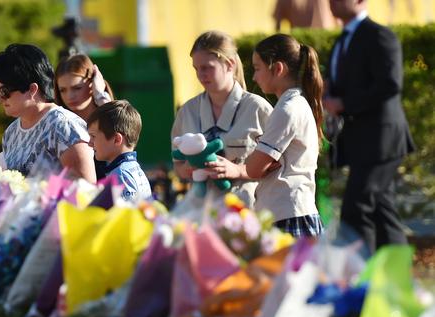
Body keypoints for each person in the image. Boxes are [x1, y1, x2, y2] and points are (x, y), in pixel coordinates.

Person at [208, 34, 324, 238]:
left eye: (258, 68)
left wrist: (236, 167)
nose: (254, 77)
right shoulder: (294, 104)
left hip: (289, 216)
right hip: (291, 212)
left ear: (278, 69)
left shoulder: (287, 109)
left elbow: (254, 168)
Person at [324, 0, 414, 250]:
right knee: (380, 211)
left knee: (357, 210)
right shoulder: (342, 40)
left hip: (382, 140)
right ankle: (396, 279)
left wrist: (343, 102)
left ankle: (361, 280)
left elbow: (390, 83)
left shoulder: (379, 35)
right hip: (361, 142)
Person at [171, 31, 273, 208]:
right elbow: (177, 166)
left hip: (246, 215)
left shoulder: (258, 109)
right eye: (196, 69)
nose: (200, 75)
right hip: (200, 213)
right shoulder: (187, 112)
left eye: (207, 67)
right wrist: (189, 168)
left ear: (230, 64)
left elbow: (278, 166)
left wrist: (238, 170)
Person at [0, 44, 96, 182]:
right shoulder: (10, 133)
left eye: (5, 91)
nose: (0, 98)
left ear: (32, 89)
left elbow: (85, 188)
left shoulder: (64, 126)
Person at [54, 54, 114, 179]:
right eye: (63, 90)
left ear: (93, 83)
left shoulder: (107, 113)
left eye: (77, 88)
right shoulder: (57, 123)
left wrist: (101, 96)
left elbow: (122, 134)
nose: (70, 96)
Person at [87, 100, 152, 202]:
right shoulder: (134, 168)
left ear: (117, 139)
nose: (89, 143)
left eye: (93, 136)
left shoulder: (121, 174)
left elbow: (126, 216)